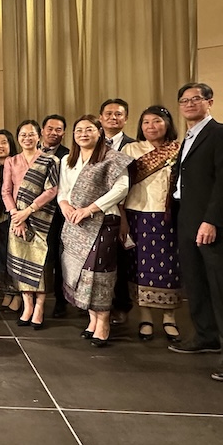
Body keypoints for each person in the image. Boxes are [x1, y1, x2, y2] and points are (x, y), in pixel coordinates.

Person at [169, 82, 223, 382]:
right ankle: (206, 335)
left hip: (213, 224)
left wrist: (212, 221)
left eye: (196, 99)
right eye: (184, 100)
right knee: (196, 283)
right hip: (187, 219)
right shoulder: (187, 138)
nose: (189, 104)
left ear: (209, 102)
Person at [58, 115, 131, 347]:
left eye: (89, 129)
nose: (83, 134)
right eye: (79, 130)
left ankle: (104, 322)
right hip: (75, 222)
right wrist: (66, 207)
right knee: (82, 272)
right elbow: (63, 191)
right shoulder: (68, 160)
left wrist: (89, 209)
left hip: (103, 220)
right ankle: (92, 320)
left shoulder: (112, 158)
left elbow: (121, 189)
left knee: (99, 272)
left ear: (99, 132)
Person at [120, 106, 182, 342]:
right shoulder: (131, 149)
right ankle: (145, 317)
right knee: (139, 266)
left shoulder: (178, 148)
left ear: (167, 123)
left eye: (156, 121)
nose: (151, 127)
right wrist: (122, 217)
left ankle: (169, 317)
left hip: (168, 216)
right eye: (146, 122)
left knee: (169, 268)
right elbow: (121, 185)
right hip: (137, 214)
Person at [1, 120, 60, 330]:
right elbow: (6, 191)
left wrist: (28, 211)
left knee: (41, 263)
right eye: (23, 135)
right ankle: (27, 306)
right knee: (22, 262)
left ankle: (40, 307)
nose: (27, 138)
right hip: (17, 220)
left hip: (42, 219)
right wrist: (16, 215)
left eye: (31, 134)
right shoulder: (11, 161)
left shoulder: (50, 160)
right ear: (18, 138)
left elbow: (52, 190)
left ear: (39, 136)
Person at [99, 98, 136, 326]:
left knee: (120, 260)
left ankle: (121, 305)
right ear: (100, 117)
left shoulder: (133, 146)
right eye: (109, 113)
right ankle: (96, 305)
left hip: (122, 210)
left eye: (119, 114)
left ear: (126, 118)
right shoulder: (91, 142)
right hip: (93, 212)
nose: (113, 117)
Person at [39, 114, 70, 318]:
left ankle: (61, 300)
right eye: (50, 128)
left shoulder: (68, 155)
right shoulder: (31, 151)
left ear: (64, 133)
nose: (53, 133)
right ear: (42, 130)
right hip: (33, 214)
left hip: (58, 215)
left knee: (59, 259)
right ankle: (31, 299)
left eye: (58, 129)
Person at [0, 129, 20, 313]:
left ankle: (17, 296)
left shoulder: (17, 165)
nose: (0, 146)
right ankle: (7, 293)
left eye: (4, 142)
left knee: (13, 258)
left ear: (11, 145)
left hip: (13, 218)